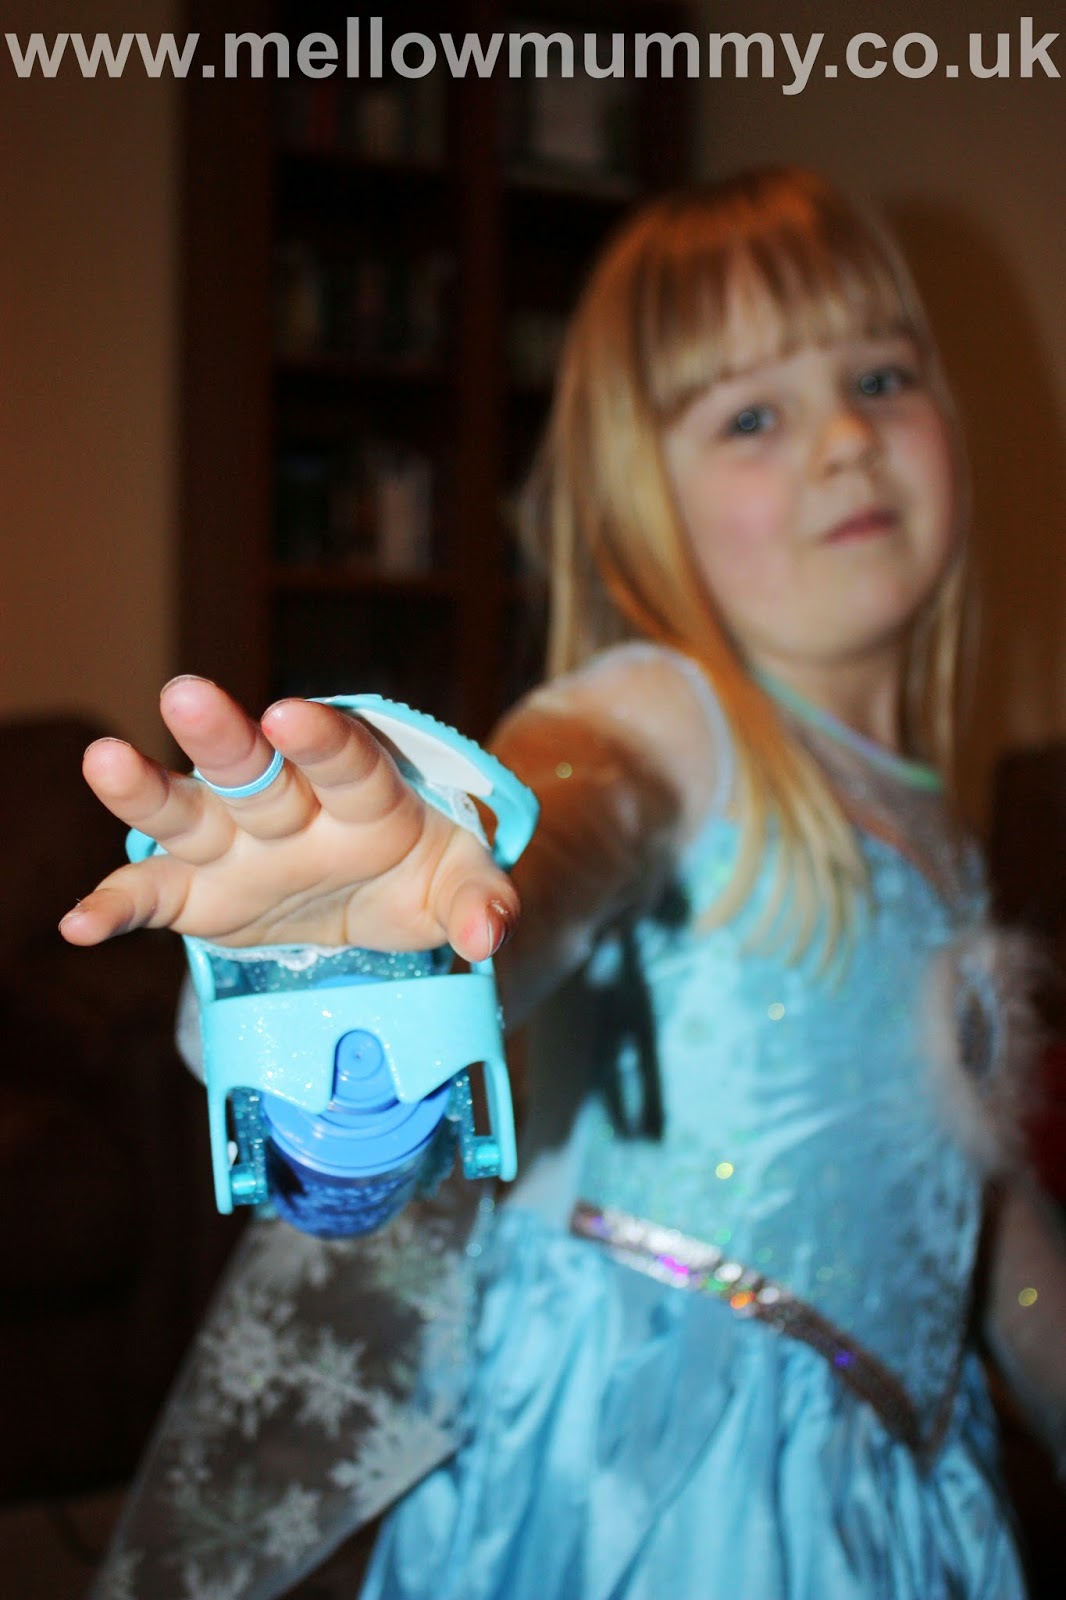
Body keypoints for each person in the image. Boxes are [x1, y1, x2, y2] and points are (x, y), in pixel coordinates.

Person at [67, 168, 1064, 1600]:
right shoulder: (659, 723)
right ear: (640, 497)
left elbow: (989, 1232)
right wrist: (371, 952)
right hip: (657, 1484)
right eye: (752, 416)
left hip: (898, 1496)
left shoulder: (943, 835)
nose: (846, 438)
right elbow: (536, 851)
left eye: (881, 377)